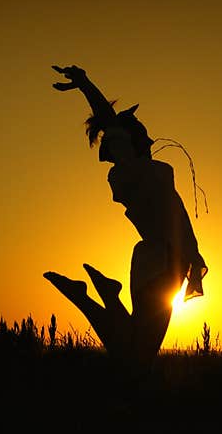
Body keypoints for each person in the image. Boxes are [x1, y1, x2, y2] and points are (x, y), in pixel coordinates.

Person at [44, 64, 207, 368]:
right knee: (139, 354)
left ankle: (95, 296)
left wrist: (85, 84)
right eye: (142, 133)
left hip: (149, 258)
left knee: (132, 347)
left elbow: (111, 124)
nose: (148, 136)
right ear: (129, 143)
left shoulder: (130, 173)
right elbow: (112, 124)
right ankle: (89, 298)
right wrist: (87, 86)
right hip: (166, 260)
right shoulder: (139, 170)